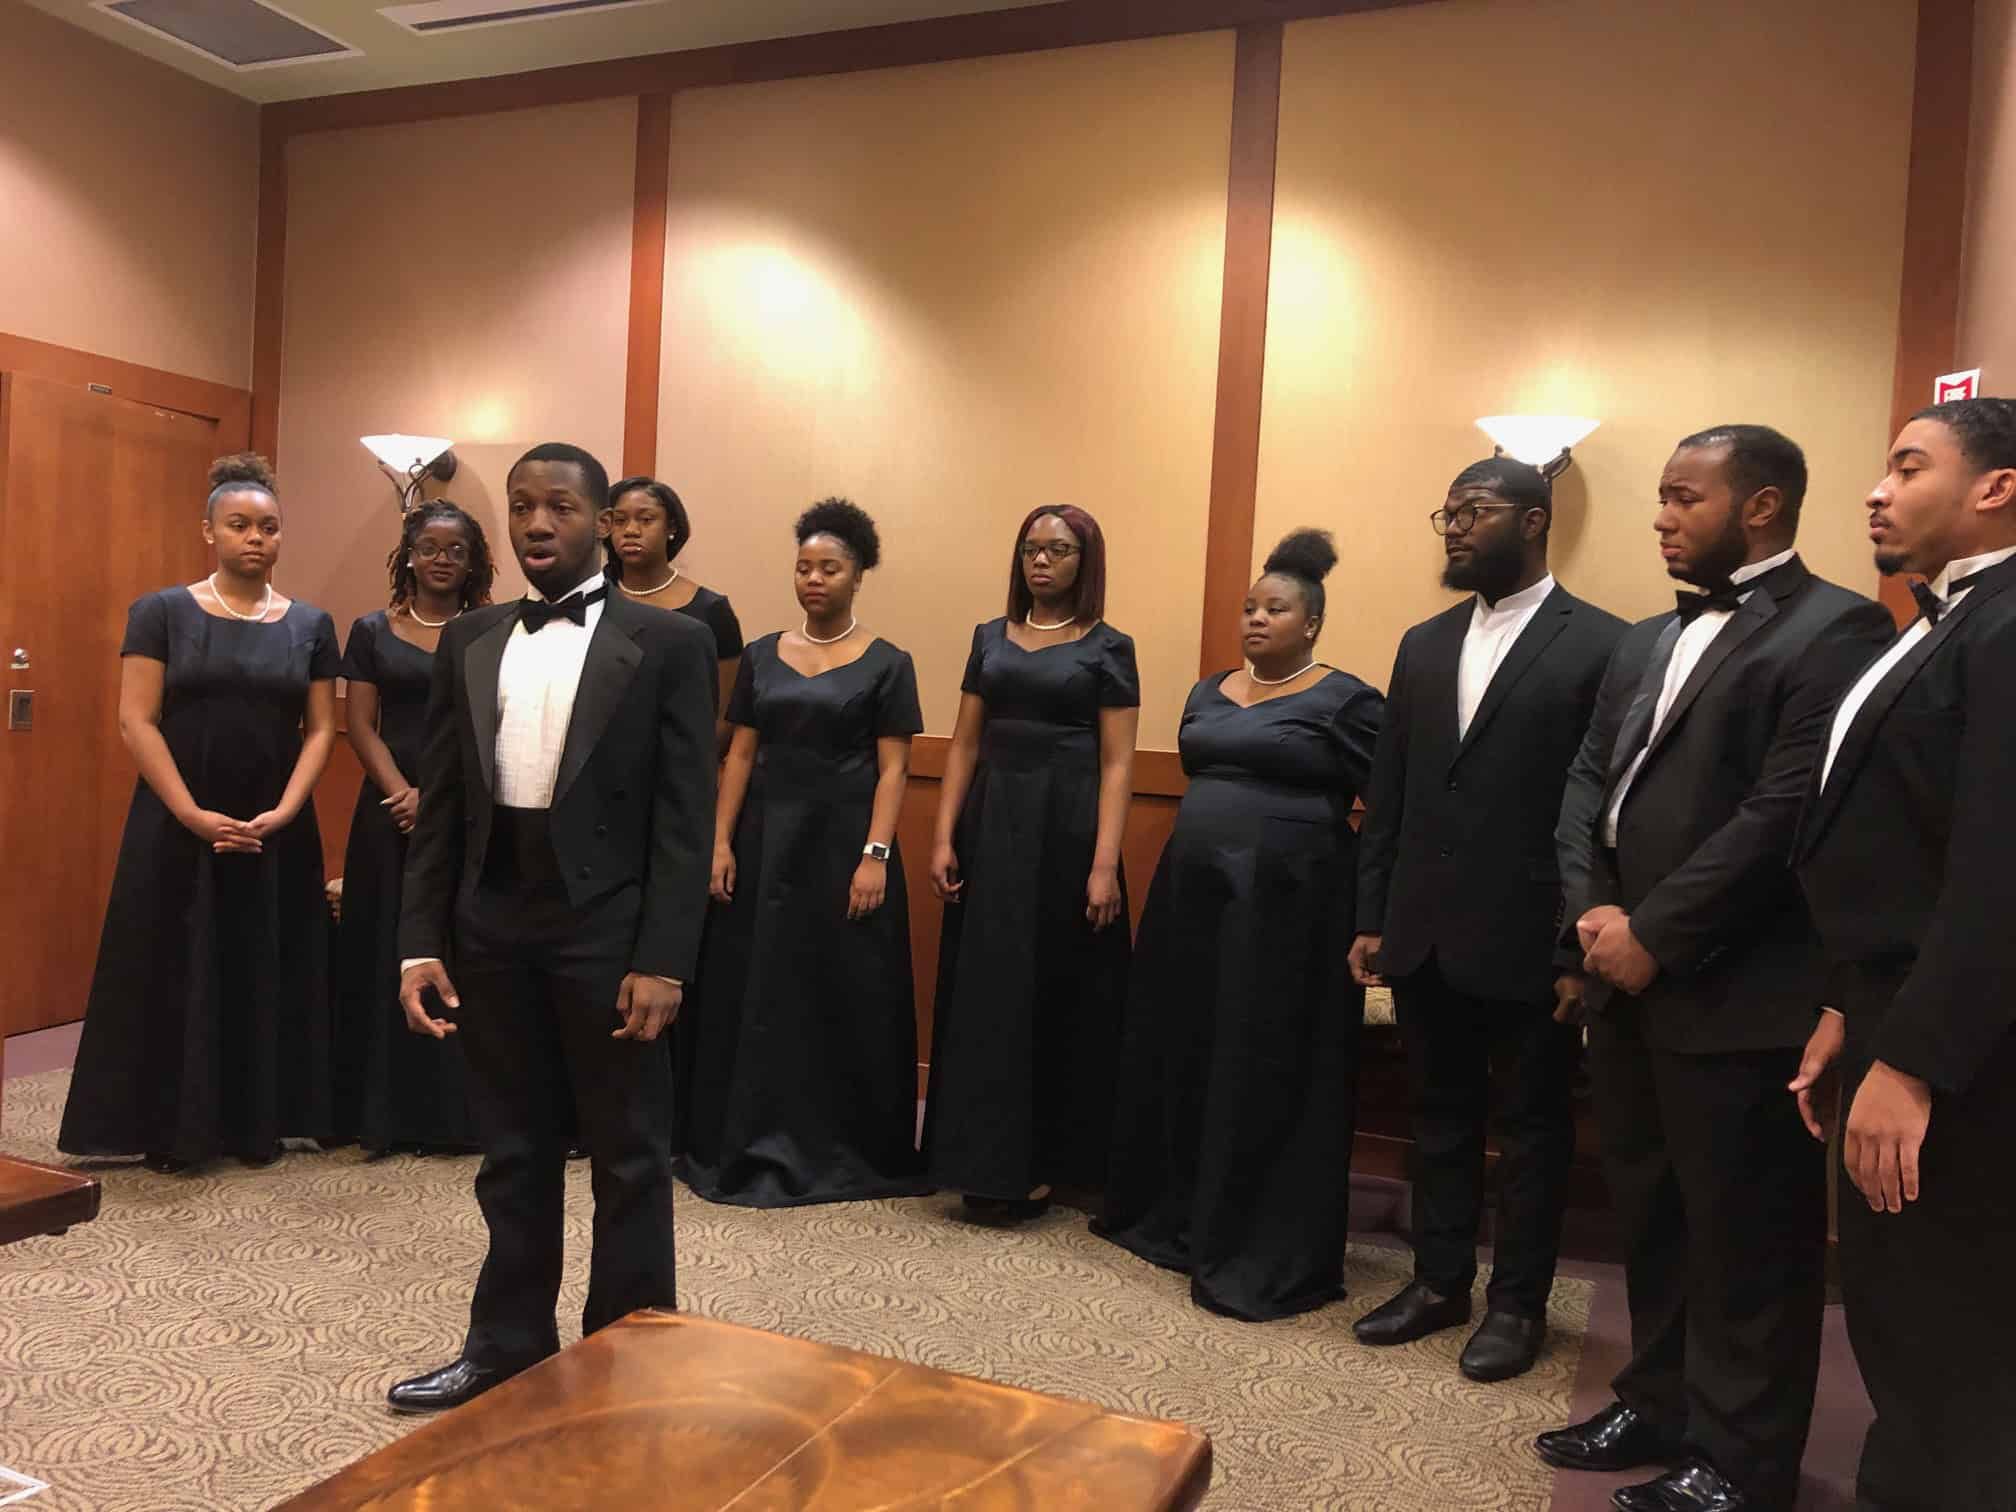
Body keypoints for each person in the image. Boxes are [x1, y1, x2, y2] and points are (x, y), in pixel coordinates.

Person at [1544, 426, 1894, 1512]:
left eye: (1682, 497)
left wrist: (1658, 931)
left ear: (1762, 505)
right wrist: (1594, 910)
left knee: (1748, 1236)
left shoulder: (1838, 627)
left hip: (1740, 986)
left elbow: (1781, 811)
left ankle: (1744, 1462)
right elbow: (1588, 782)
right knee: (1650, 1215)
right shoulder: (1647, 636)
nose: (1659, 516)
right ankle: (1657, 1402)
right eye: (1658, 497)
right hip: (1624, 974)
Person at [387, 442, 716, 1412]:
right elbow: (441, 804)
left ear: (605, 521)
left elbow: (684, 818)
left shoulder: (670, 644)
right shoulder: (473, 637)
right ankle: (505, 1348)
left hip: (607, 932)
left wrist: (664, 958)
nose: (538, 524)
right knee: (513, 1152)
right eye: (523, 507)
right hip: (494, 923)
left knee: (628, 1156)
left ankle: (629, 1362)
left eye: (562, 508)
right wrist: (419, 939)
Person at [1349, 457, 1626, 1381]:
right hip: (1425, 929)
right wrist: (1372, 915)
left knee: (1536, 1132)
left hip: (1535, 941)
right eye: (1448, 513)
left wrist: (1577, 942)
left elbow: (1601, 812)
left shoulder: (1602, 644)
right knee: (1439, 1119)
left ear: (1536, 520)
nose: (1456, 528)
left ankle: (1516, 1307)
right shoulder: (1423, 643)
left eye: (1475, 512)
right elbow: (1390, 792)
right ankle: (1437, 1284)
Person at [1789, 398, 2016, 1511]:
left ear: (1997, 487)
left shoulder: (2011, 624)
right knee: (1892, 1313)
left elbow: (1998, 871)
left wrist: (1914, 1057)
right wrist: (1846, 1003)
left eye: (1907, 465)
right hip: (1886, 1001)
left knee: (1945, 1331)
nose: (1876, 489)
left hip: (1959, 1048)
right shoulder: (1944, 623)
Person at [1096, 529, 1382, 1320]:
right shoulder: (1207, 690)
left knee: (1263, 1060)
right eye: (1249, 607)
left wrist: (1372, 912)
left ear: (1312, 622)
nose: (1256, 618)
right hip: (1194, 896)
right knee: (1187, 1047)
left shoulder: (1348, 700)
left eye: (1275, 608)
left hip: (1292, 907)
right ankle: (1181, 1213)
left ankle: (1262, 1236)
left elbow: (1387, 808)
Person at [59, 453, 340, 1172]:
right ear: (209, 530)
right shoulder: (160, 612)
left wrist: (284, 811)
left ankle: (259, 1125)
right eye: (240, 525)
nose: (256, 538)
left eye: (269, 527)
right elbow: (137, 721)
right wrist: (189, 811)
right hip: (178, 820)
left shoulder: (311, 623)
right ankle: (172, 1126)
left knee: (263, 960)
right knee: (175, 964)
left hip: (275, 825)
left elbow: (322, 729)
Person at [678, 499, 926, 1207]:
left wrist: (876, 854)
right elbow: (739, 754)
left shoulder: (889, 663)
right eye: (804, 567)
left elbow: (895, 769)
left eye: (830, 568)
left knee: (837, 994)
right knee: (759, 993)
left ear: (858, 575)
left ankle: (835, 1144)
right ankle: (749, 1136)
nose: (814, 579)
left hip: (847, 848)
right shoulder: (759, 655)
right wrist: (720, 841)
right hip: (764, 844)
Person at [923, 506, 1139, 1220]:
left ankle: (1046, 1161)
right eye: (1030, 549)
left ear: (1087, 561)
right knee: (988, 997)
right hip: (993, 827)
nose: (1040, 561)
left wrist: (1105, 864)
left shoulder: (1110, 647)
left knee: (1051, 993)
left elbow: (1117, 764)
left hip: (1069, 833)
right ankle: (979, 1159)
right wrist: (943, 834)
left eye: (1058, 550)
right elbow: (961, 744)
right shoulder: (988, 638)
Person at [334, 501, 495, 1154]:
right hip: (385, 813)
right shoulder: (370, 630)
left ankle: (453, 1114)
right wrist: (402, 791)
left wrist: (437, 797)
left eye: (455, 550)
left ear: (472, 561)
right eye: (429, 547)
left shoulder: (490, 630)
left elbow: (492, 725)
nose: (441, 559)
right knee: (382, 945)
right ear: (408, 553)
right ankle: (377, 1113)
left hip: (465, 811)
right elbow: (357, 725)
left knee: (458, 948)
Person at [603, 475, 743, 751]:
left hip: (680, 768)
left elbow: (725, 715)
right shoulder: (592, 600)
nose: (631, 530)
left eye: (646, 519)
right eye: (620, 521)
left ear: (672, 528)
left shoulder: (710, 610)